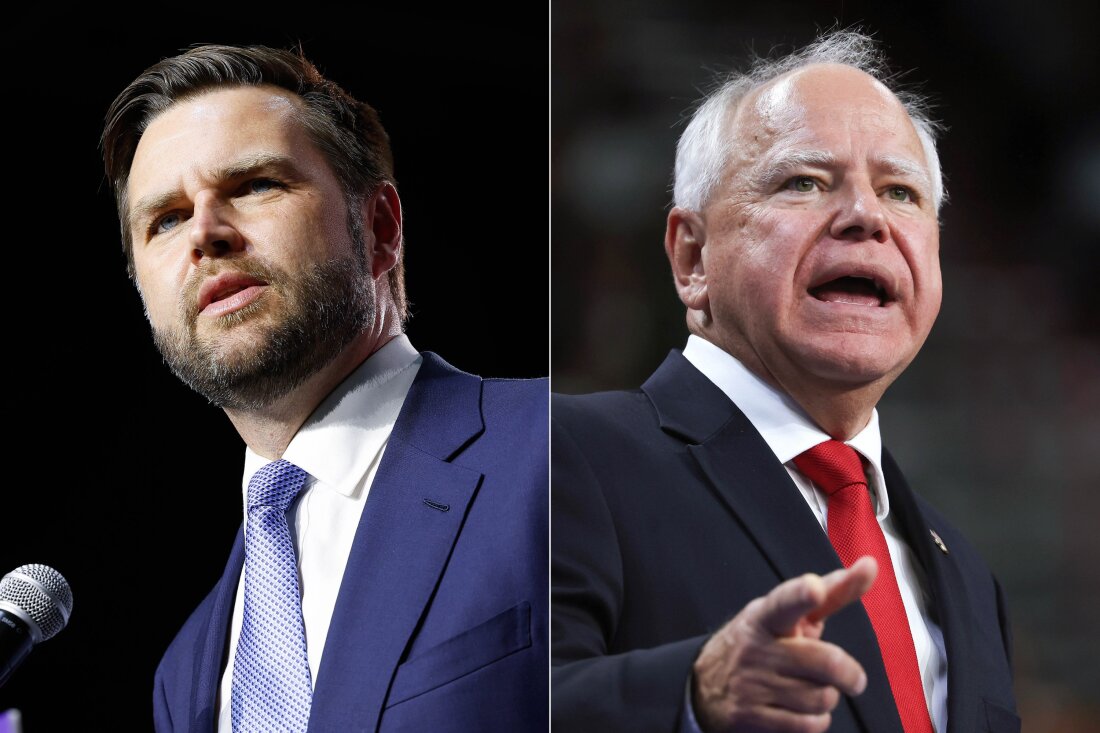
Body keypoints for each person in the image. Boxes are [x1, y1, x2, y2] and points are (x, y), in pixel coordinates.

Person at [551, 31, 1019, 733]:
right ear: (691, 257)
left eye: (901, 191)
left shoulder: (970, 576)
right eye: (804, 181)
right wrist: (692, 693)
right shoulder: (562, 454)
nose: (867, 217)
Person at [101, 45, 547, 732]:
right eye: (165, 219)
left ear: (380, 227)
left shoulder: (562, 451)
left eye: (254, 185)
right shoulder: (185, 668)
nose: (205, 234)